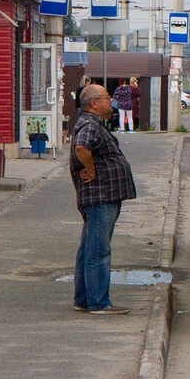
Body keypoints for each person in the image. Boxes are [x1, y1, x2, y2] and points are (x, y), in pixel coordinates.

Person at [70, 84, 137, 315]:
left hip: (100, 197)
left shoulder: (93, 124)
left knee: (88, 248)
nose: (112, 101)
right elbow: (81, 147)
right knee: (98, 250)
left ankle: (83, 299)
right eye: (108, 98)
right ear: (94, 104)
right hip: (100, 197)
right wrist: (93, 170)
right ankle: (98, 302)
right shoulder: (90, 124)